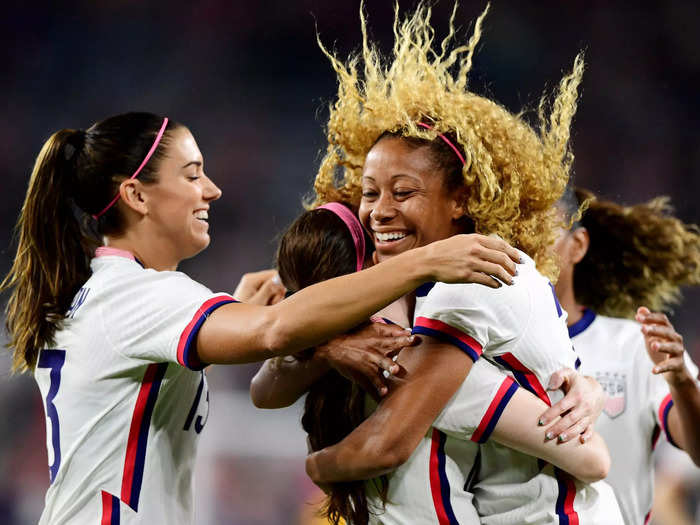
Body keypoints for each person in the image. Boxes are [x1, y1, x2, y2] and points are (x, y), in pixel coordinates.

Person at [0, 112, 522, 524]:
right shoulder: (137, 297)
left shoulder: (119, 294)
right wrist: (425, 261)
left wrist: (317, 341)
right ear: (136, 196)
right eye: (193, 174)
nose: (212, 190)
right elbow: (274, 330)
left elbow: (265, 342)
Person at [254, 4, 622, 524]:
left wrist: (316, 470)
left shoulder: (473, 283)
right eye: (370, 191)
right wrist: (328, 342)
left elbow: (386, 442)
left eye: (404, 192)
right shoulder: (396, 289)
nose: (380, 210)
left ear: (461, 199)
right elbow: (267, 375)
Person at [554, 186, 700, 525]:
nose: (525, 246)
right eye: (515, 231)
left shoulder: (633, 345)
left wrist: (680, 380)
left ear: (577, 245)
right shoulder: (489, 348)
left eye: (539, 230)